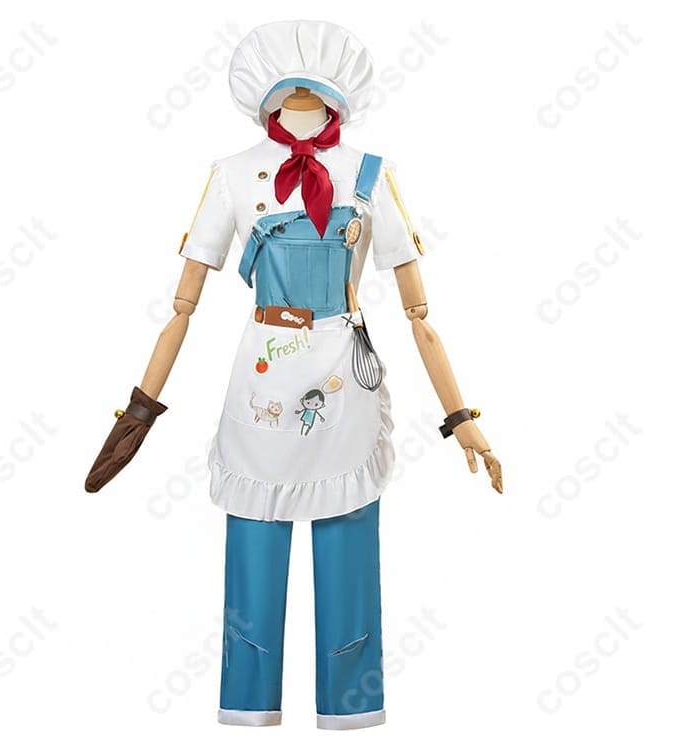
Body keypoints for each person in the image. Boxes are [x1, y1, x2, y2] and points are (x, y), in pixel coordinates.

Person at [85, 20, 502, 730]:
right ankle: (248, 709)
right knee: (254, 553)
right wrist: (139, 412)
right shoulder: (231, 174)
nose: (301, 95)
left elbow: (418, 313)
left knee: (348, 557)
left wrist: (462, 419)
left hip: (344, 378)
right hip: (262, 381)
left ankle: (351, 710)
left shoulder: (370, 173)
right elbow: (183, 306)